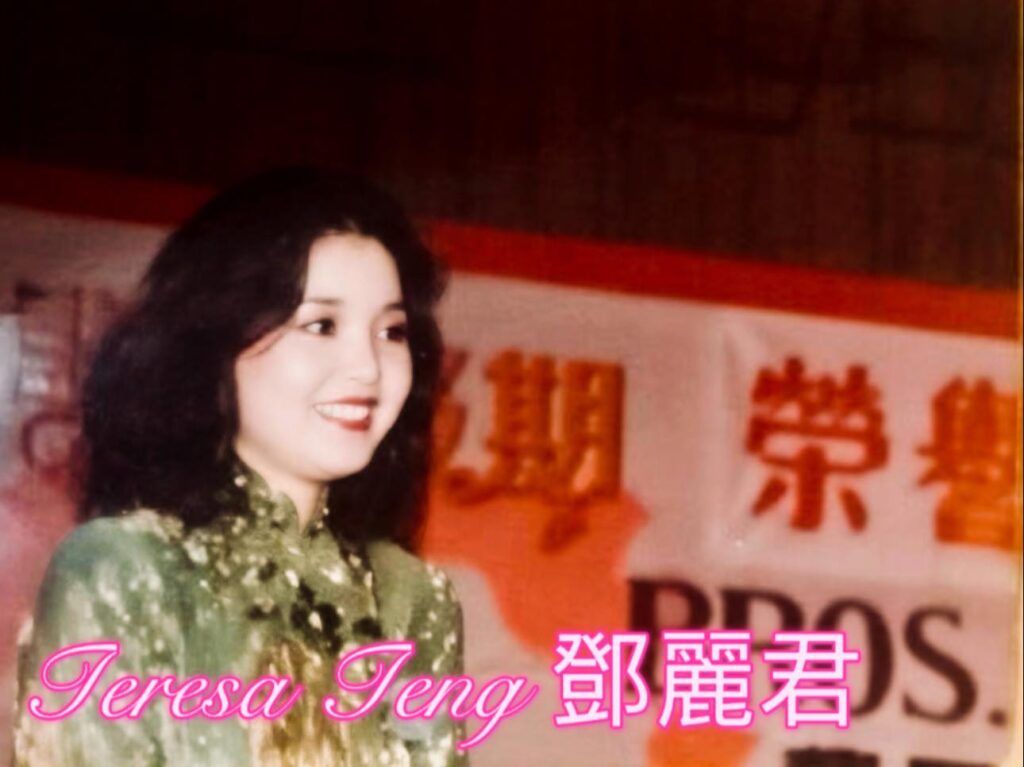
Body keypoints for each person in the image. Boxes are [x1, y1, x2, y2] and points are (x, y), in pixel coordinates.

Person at [13, 168, 467, 766]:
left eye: (392, 331)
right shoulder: (123, 568)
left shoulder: (412, 598)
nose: (367, 367)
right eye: (322, 325)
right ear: (216, 345)